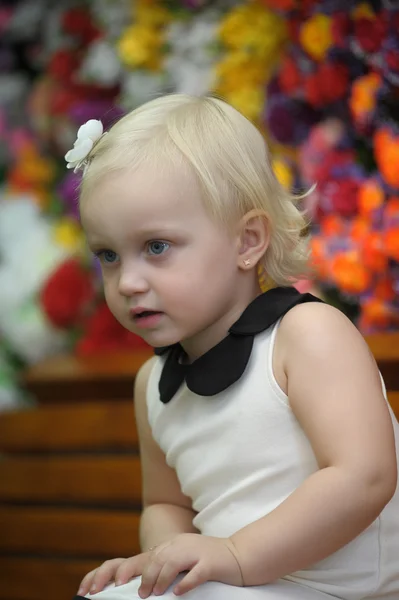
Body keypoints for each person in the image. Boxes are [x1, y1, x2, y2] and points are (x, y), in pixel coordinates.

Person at [66, 94, 399, 600]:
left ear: (247, 242)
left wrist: (237, 554)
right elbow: (166, 506)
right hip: (248, 584)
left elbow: (364, 476)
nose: (128, 281)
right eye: (109, 255)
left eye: (156, 247)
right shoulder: (152, 386)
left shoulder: (305, 336)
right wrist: (166, 564)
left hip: (348, 589)